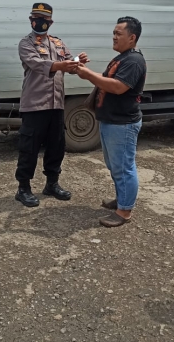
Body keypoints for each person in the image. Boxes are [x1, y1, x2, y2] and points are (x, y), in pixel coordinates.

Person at [14, 3, 89, 207]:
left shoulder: (57, 43)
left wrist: (77, 61)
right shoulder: (26, 44)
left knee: (57, 146)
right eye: (36, 17)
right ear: (31, 20)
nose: (39, 21)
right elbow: (37, 65)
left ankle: (52, 183)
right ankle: (23, 188)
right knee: (29, 147)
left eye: (44, 19)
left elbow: (68, 63)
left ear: (51, 22)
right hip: (35, 105)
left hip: (56, 104)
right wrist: (62, 65)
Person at [75, 17, 146, 227]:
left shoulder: (133, 61)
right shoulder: (122, 58)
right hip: (112, 122)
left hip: (122, 124)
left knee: (124, 167)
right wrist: (84, 71)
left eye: (118, 34)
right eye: (113, 33)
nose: (114, 37)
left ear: (132, 38)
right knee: (116, 166)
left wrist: (88, 75)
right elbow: (107, 79)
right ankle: (121, 200)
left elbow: (117, 86)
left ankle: (124, 212)